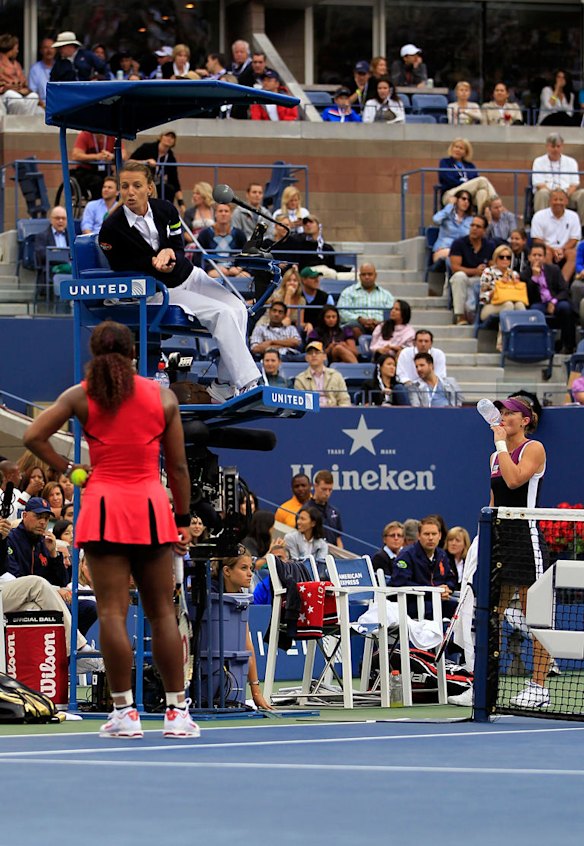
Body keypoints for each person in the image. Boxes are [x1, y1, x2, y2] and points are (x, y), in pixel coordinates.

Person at [23, 320, 199, 739]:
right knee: (162, 614)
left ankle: (124, 714)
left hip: (103, 506)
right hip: (151, 509)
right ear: (132, 352)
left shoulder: (82, 395)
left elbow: (32, 435)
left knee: (113, 614)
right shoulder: (162, 396)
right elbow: (177, 467)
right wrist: (181, 520)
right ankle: (177, 714)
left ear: (95, 352)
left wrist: (73, 469)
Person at [98, 162, 261, 402]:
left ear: (150, 189)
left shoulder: (167, 210)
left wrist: (170, 254)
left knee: (239, 309)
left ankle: (224, 386)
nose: (129, 192)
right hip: (160, 289)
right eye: (124, 186)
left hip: (189, 276)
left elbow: (177, 246)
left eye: (136, 185)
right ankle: (249, 383)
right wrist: (153, 261)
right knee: (222, 314)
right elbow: (123, 267)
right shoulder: (110, 230)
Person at [488, 396, 551, 707]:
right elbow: (494, 503)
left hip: (526, 539)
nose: (504, 416)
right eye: (502, 412)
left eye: (510, 412)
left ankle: (539, 687)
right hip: (501, 540)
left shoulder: (533, 448)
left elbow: (514, 481)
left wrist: (501, 447)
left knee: (536, 616)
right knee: (492, 615)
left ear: (525, 420)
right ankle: (487, 684)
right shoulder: (494, 456)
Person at [210, 551, 272, 709]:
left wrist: (256, 692)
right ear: (227, 571)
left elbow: (247, 645)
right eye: (244, 568)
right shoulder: (209, 594)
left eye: (250, 568)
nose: (250, 574)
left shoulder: (240, 596)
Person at [391, 516, 458, 618]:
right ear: (419, 536)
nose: (430, 538)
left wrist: (447, 588)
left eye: (434, 534)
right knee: (433, 609)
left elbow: (451, 578)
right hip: (411, 603)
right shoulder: (406, 555)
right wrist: (433, 591)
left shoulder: (441, 554)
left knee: (459, 608)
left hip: (437, 600)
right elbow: (400, 582)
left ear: (440, 536)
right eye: (426, 534)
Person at [521, 243, 576, 354]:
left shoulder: (554, 269)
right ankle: (537, 346)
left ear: (544, 257)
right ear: (529, 257)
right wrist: (534, 278)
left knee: (566, 307)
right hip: (538, 303)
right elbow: (530, 297)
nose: (537, 258)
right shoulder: (524, 274)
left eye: (540, 255)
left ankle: (568, 346)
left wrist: (553, 301)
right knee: (534, 311)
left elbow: (564, 290)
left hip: (555, 300)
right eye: (534, 255)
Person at [478, 243, 527, 350]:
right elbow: (482, 298)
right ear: (496, 258)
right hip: (490, 306)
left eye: (508, 257)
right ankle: (502, 343)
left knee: (520, 305)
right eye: (502, 257)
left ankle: (522, 341)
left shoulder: (514, 274)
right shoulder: (488, 272)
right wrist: (498, 288)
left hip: (512, 303)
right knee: (508, 305)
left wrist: (514, 284)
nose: (505, 259)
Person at [449, 215, 496, 324]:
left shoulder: (489, 245)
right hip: (464, 279)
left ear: (484, 230)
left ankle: (480, 315)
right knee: (459, 277)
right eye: (472, 225)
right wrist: (475, 271)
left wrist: (485, 270)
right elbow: (455, 268)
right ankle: (459, 315)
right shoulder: (459, 243)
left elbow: (493, 266)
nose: (474, 228)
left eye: (478, 226)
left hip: (480, 280)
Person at [531, 133, 584, 224]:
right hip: (548, 193)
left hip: (568, 194)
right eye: (553, 146)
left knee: (583, 193)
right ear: (547, 146)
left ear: (562, 147)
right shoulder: (538, 161)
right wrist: (555, 195)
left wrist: (564, 195)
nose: (555, 149)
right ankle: (540, 224)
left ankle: (582, 226)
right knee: (542, 193)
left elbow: (574, 184)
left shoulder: (571, 162)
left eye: (558, 146)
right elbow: (539, 184)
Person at [530, 188, 579, 283]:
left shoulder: (573, 216)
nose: (558, 202)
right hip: (547, 248)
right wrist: (553, 250)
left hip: (565, 249)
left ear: (566, 201)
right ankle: (551, 283)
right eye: (555, 199)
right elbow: (537, 239)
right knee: (546, 254)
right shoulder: (539, 216)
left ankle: (563, 283)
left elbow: (574, 239)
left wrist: (562, 249)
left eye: (561, 200)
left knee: (573, 254)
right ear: (550, 201)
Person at [438, 138, 498, 213]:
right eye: (456, 147)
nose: (458, 150)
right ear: (452, 148)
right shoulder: (445, 162)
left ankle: (479, 219)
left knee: (482, 193)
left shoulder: (470, 166)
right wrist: (465, 183)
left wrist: (468, 184)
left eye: (461, 148)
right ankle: (495, 201)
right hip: (451, 193)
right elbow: (447, 179)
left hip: (469, 195)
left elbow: (474, 179)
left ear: (465, 152)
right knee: (482, 180)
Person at [337, 263, 394, 339]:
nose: (367, 277)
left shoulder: (386, 295)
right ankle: (365, 347)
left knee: (387, 328)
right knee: (353, 328)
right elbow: (342, 312)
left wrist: (378, 322)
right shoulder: (348, 292)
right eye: (363, 274)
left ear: (375, 275)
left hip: (379, 326)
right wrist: (359, 319)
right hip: (357, 325)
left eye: (370, 274)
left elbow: (392, 314)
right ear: (359, 276)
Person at [132, 131, 185, 207]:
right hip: (143, 181)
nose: (169, 138)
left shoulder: (170, 157)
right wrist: (145, 162)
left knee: (169, 189)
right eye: (167, 135)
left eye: (172, 137)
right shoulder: (147, 148)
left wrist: (181, 203)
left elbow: (174, 180)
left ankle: (165, 211)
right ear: (161, 137)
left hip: (157, 185)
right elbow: (129, 162)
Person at [197, 203, 249, 279]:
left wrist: (239, 268)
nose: (223, 214)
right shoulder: (205, 234)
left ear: (231, 214)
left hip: (234, 269)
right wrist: (210, 269)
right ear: (215, 214)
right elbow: (198, 257)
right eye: (220, 211)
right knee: (213, 276)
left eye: (226, 211)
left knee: (246, 277)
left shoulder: (239, 234)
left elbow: (247, 255)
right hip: (214, 269)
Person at [294, 341, 351, 408]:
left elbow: (344, 401)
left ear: (324, 356)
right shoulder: (300, 379)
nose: (313, 355)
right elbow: (300, 405)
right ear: (306, 358)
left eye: (317, 352)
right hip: (311, 415)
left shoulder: (336, 376)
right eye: (310, 353)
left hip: (334, 413)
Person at [0, 34, 42, 115]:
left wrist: (22, 88)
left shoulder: (17, 64)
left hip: (19, 92)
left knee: (33, 97)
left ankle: (26, 123)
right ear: (10, 49)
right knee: (14, 97)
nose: (17, 51)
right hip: (4, 94)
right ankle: (15, 124)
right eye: (16, 48)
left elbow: (23, 82)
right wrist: (5, 88)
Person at [431, 190, 472, 263]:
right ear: (456, 200)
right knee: (453, 256)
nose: (466, 202)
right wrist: (450, 205)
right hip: (442, 249)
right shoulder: (447, 215)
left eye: (468, 200)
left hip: (460, 252)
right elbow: (436, 219)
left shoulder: (470, 220)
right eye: (463, 199)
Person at [308, 469, 344, 548]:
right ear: (315, 486)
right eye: (324, 489)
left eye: (330, 490)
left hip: (333, 556)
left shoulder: (335, 511)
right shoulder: (306, 511)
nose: (327, 493)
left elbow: (338, 539)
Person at [27, 36, 55, 109]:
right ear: (41, 50)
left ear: (55, 50)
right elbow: (32, 92)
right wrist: (43, 106)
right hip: (41, 106)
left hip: (58, 105)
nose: (49, 50)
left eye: (51, 47)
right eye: (46, 47)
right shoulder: (35, 69)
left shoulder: (60, 68)